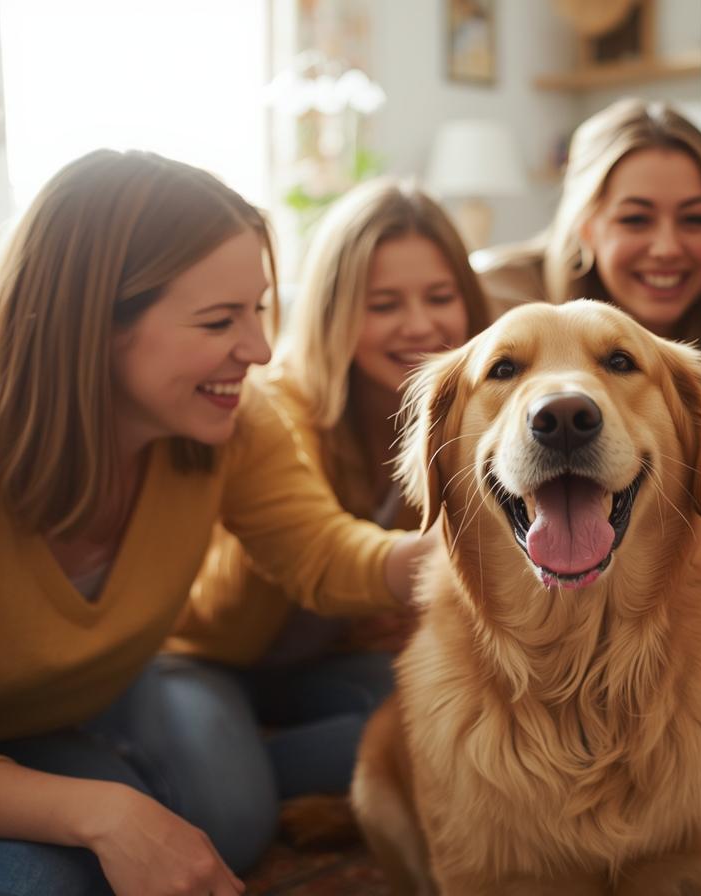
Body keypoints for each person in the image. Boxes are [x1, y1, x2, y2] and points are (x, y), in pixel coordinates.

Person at [0, 149, 424, 896]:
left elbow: (324, 554)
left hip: (10, 728)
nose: (260, 349)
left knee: (52, 879)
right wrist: (106, 814)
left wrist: (452, 551)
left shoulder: (233, 419)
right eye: (219, 320)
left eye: (258, 310)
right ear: (90, 325)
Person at [164, 177, 493, 803]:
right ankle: (207, 771)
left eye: (440, 297)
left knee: (457, 712)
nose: (420, 325)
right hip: (209, 658)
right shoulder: (274, 408)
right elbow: (313, 555)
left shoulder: (472, 417)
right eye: (384, 305)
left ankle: (245, 765)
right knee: (232, 805)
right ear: (333, 311)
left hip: (323, 665)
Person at [475, 97, 701, 377]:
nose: (667, 248)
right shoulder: (494, 296)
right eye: (636, 219)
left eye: (694, 219)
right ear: (584, 227)